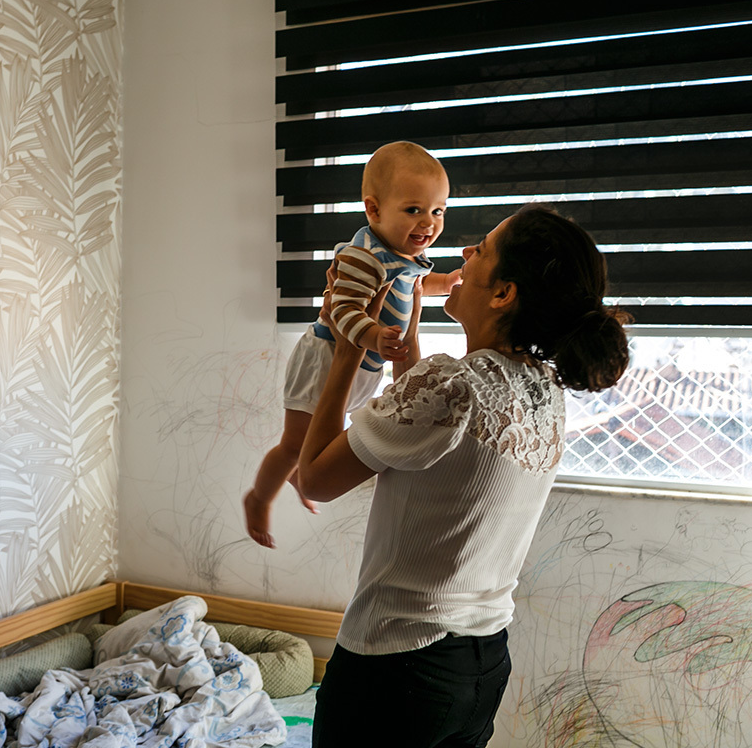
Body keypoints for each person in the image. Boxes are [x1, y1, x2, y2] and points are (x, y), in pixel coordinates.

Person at [297, 202, 631, 748]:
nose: (463, 252)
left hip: (396, 664)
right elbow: (424, 419)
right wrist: (404, 319)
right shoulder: (543, 391)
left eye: (482, 249)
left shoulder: (454, 388)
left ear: (504, 293)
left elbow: (313, 478)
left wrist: (344, 348)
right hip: (479, 664)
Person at [243, 141, 457, 549]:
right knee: (294, 445)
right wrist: (373, 334)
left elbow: (411, 286)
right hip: (326, 358)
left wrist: (442, 283)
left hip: (364, 366)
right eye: (414, 209)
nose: (428, 222)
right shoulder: (365, 257)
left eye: (438, 210)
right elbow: (343, 310)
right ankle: (258, 498)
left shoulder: (406, 256)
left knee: (318, 444)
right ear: (374, 210)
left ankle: (298, 472)